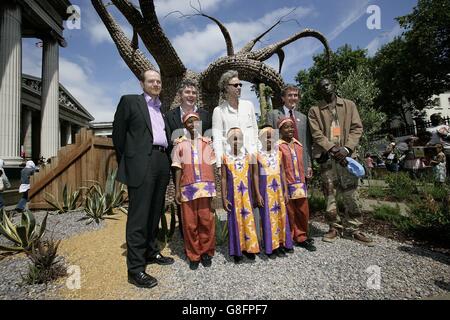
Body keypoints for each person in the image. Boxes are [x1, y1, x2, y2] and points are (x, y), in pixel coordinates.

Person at [113, 69, 174, 289]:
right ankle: (136, 269)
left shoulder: (161, 110)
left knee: (155, 211)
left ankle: (151, 252)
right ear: (142, 83)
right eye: (151, 81)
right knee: (139, 216)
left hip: (161, 161)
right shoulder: (129, 102)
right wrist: (131, 160)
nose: (156, 84)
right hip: (141, 163)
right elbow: (118, 136)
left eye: (158, 81)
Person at [308, 78, 374, 246]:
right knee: (330, 193)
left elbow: (357, 128)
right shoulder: (315, 110)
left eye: (328, 84)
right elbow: (316, 134)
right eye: (322, 86)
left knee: (351, 192)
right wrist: (331, 148)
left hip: (347, 158)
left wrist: (346, 149)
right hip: (327, 158)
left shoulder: (349, 105)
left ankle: (354, 228)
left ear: (334, 85)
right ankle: (333, 227)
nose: (325, 87)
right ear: (319, 91)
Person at [166, 79, 212, 237]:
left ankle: (204, 236)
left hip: (202, 169)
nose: (190, 95)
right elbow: (168, 141)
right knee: (184, 202)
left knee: (204, 205)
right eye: (187, 92)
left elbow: (208, 138)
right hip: (181, 167)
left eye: (193, 92)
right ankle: (187, 236)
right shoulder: (170, 115)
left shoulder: (205, 115)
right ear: (180, 95)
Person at [172, 112, 216, 270]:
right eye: (189, 122)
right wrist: (177, 190)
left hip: (205, 189)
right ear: (185, 125)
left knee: (206, 221)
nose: (193, 125)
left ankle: (206, 252)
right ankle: (193, 254)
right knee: (190, 224)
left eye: (195, 122)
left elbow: (211, 166)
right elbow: (177, 168)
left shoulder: (206, 143)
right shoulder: (180, 145)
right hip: (188, 189)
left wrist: (214, 189)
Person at [253, 126, 293, 259]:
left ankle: (282, 243)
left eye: (271, 137)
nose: (269, 140)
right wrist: (258, 194)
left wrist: (286, 190)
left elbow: (282, 172)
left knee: (281, 216)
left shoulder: (278, 153)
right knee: (268, 218)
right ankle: (271, 247)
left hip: (279, 191)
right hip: (266, 191)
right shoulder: (257, 156)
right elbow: (256, 176)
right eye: (266, 137)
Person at [221, 127, 260, 264]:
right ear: (229, 141)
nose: (237, 142)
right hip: (233, 196)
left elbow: (255, 175)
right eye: (234, 139)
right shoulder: (225, 158)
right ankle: (238, 250)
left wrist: (256, 194)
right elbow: (224, 179)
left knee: (248, 220)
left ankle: (249, 248)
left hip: (247, 196)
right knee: (236, 221)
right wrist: (224, 198)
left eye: (239, 139)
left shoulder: (249, 157)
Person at [277, 117, 316, 251]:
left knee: (303, 211)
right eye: (286, 127)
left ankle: (302, 236)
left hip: (300, 183)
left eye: (292, 127)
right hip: (287, 184)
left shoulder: (298, 145)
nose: (290, 129)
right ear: (280, 130)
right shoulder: (278, 146)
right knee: (290, 212)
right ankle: (290, 237)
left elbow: (302, 162)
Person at [266, 84, 313, 179]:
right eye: (290, 95)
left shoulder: (303, 117)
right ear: (283, 98)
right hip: (281, 164)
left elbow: (306, 142)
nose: (293, 98)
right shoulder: (273, 115)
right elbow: (269, 142)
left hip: (301, 163)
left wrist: (308, 164)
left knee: (301, 192)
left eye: (295, 95)